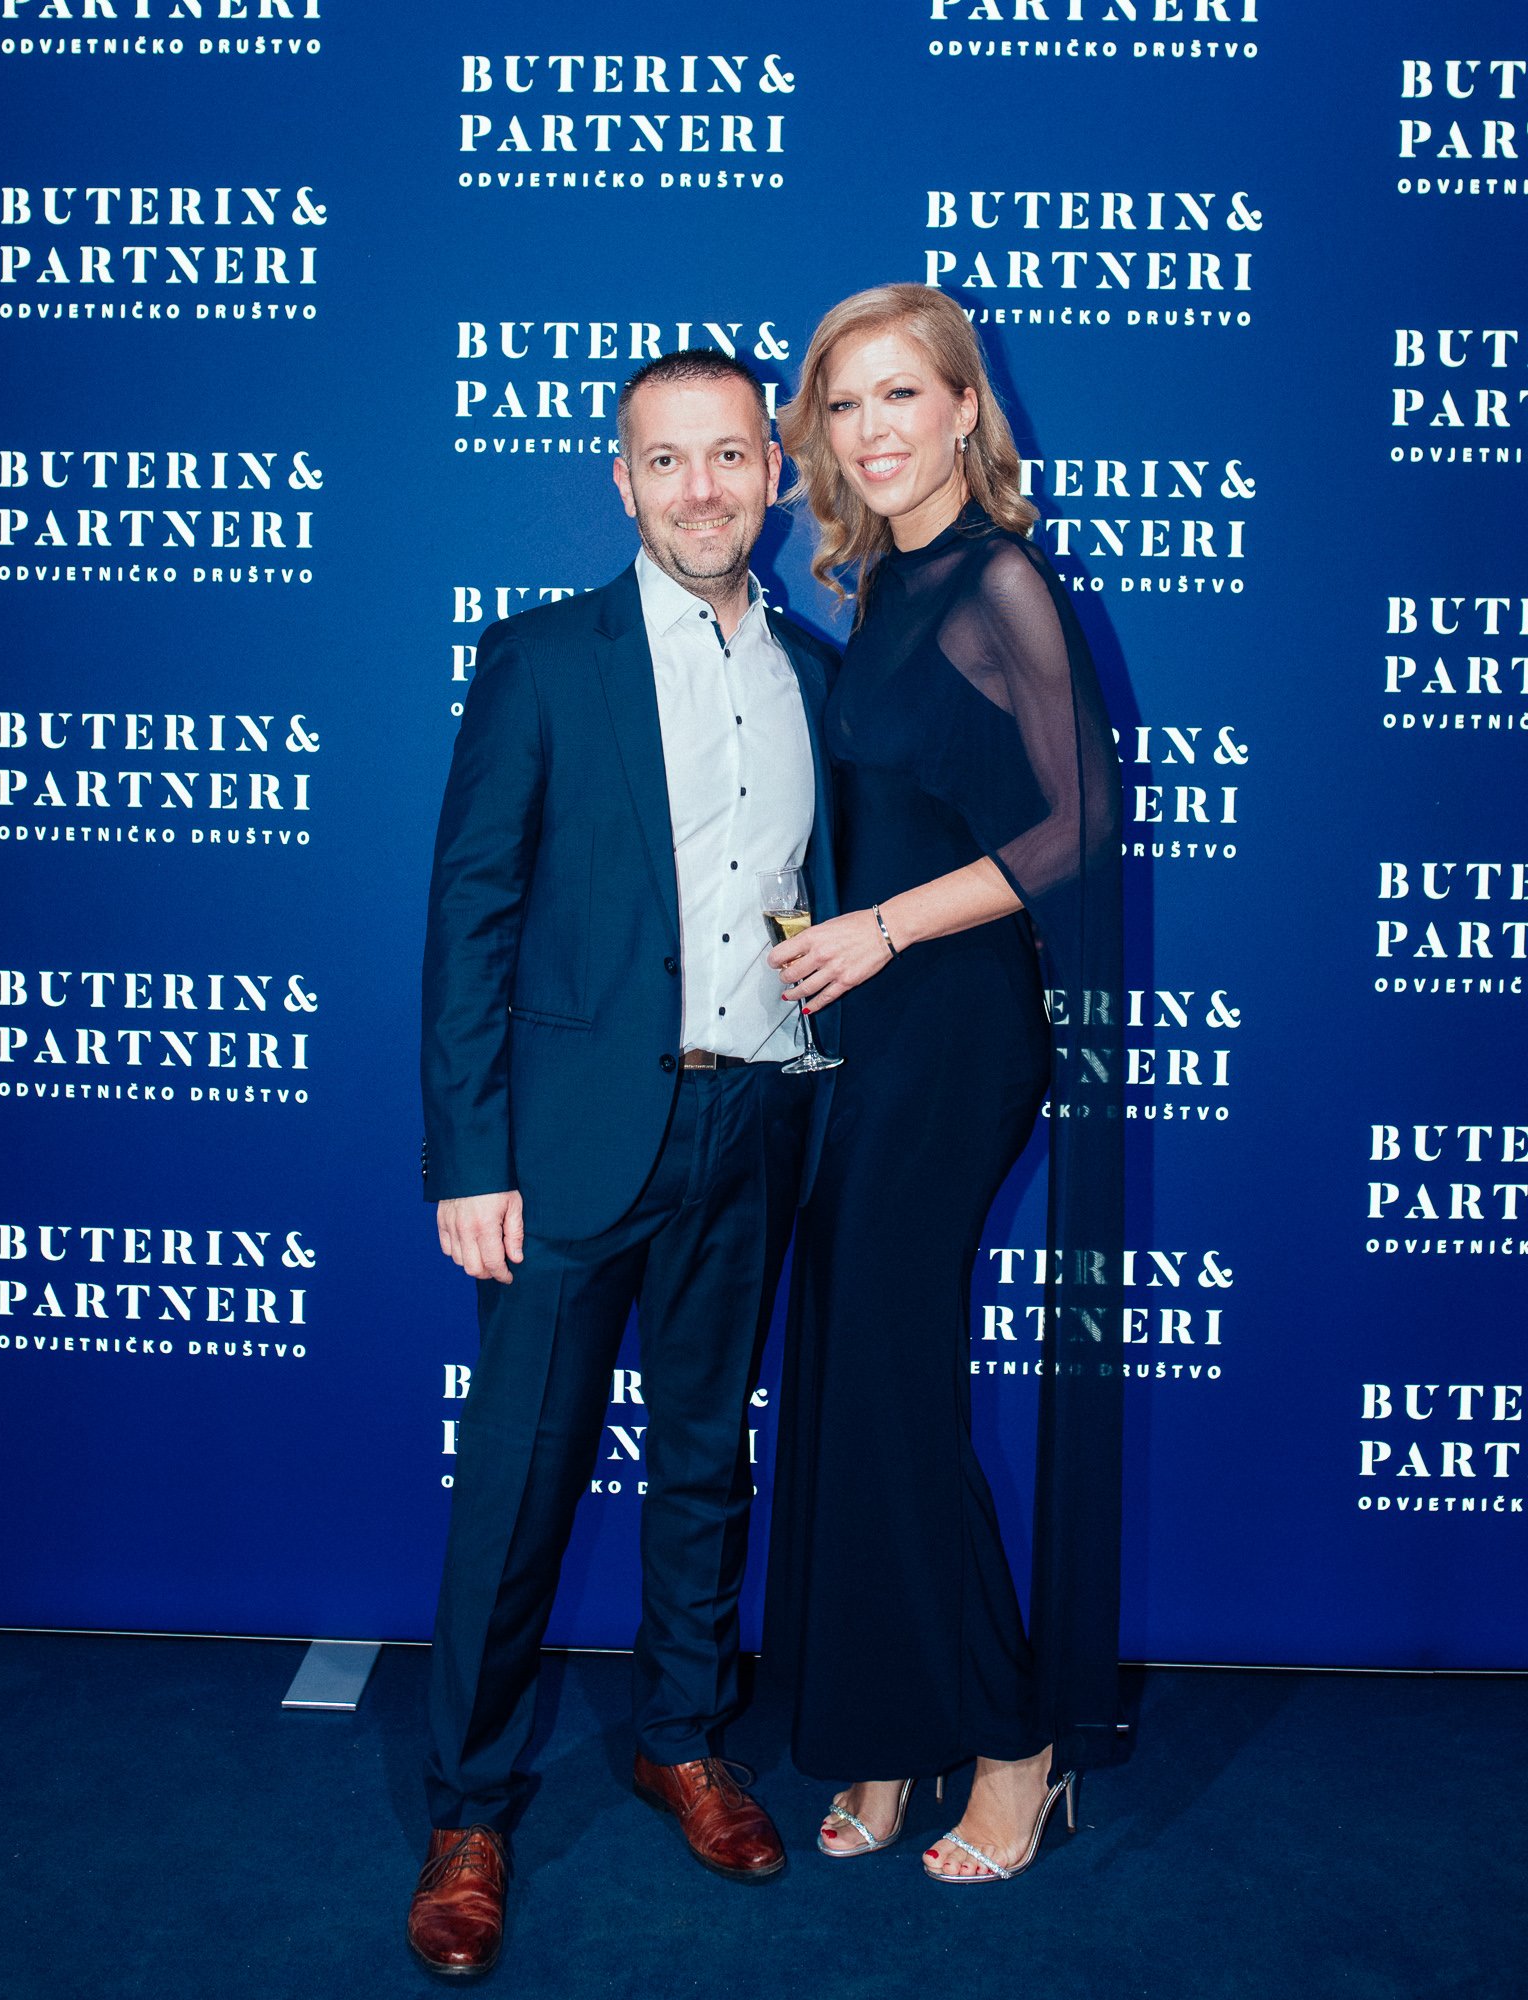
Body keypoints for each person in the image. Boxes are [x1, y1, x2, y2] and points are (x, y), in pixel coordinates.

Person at [411, 350, 841, 1975]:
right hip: (571, 1147)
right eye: (669, 462)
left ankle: (683, 1735)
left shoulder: (815, 670)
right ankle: (469, 1805)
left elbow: (803, 888)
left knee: (705, 1459)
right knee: (519, 1483)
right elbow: (472, 917)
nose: (704, 489)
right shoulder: (539, 660)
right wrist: (472, 1151)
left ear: (776, 476)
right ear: (622, 481)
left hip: (754, 1126)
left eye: (732, 457)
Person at [763, 284, 1124, 1883]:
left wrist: (882, 928)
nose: (872, 431)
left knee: (896, 1386)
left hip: (957, 1025)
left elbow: (1072, 832)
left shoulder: (1001, 583)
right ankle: (890, 1725)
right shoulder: (879, 586)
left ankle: (1012, 1737)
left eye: (901, 396)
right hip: (869, 1029)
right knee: (850, 1378)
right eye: (843, 406)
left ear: (967, 408)